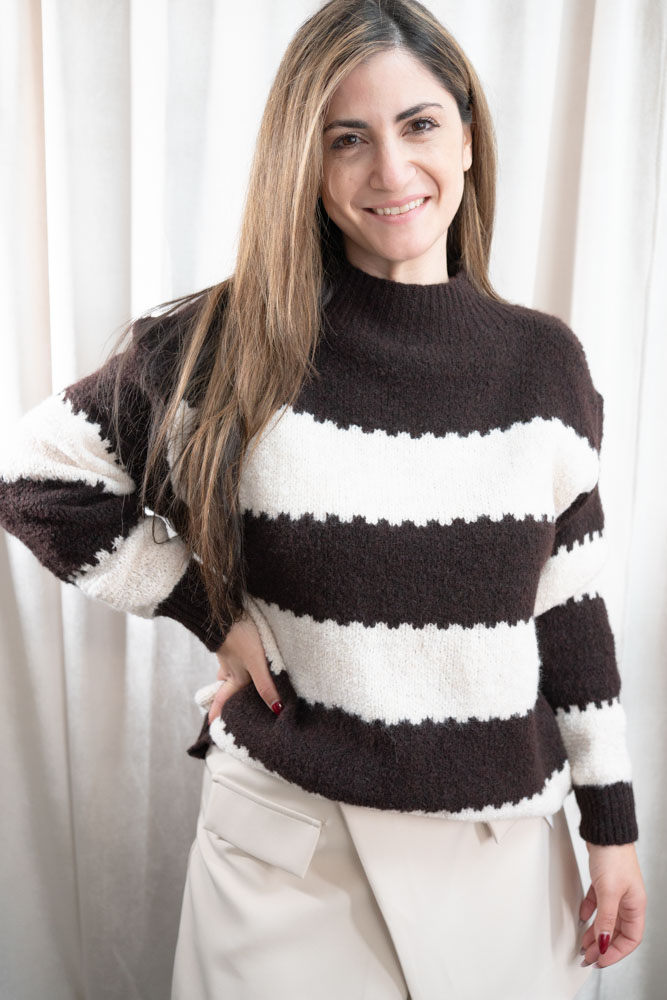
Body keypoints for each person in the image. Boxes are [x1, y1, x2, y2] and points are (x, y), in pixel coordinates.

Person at [0, 1, 647, 998]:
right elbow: (38, 476)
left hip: (501, 861)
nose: (389, 169)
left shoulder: (544, 365)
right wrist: (206, 608)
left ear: (467, 139)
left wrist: (611, 829)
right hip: (288, 860)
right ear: (304, 163)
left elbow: (569, 612)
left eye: (418, 124)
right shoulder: (230, 343)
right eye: (346, 139)